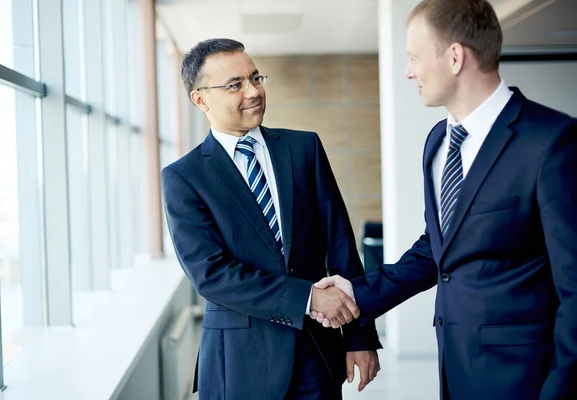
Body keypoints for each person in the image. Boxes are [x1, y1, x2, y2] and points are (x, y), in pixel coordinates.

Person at [311, 0, 577, 399]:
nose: (408, 71)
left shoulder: (552, 143)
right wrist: (356, 293)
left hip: (526, 380)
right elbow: (438, 249)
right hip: (455, 372)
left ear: (455, 57)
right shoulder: (438, 142)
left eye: (414, 57)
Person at [161, 38, 381, 399]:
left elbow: (341, 246)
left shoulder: (303, 149)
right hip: (240, 362)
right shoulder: (184, 178)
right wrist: (307, 298)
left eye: (256, 78)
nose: (253, 91)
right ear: (200, 99)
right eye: (235, 85)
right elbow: (211, 275)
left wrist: (360, 336)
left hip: (316, 353)